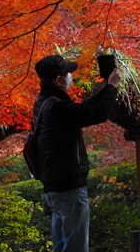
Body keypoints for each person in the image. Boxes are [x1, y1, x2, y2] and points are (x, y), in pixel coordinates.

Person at [32, 54, 121, 252]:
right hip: (70, 188)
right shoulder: (59, 107)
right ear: (58, 80)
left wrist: (107, 87)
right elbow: (98, 114)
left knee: (62, 244)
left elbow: (84, 109)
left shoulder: (44, 103)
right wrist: (113, 87)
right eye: (67, 73)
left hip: (55, 186)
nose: (70, 76)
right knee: (75, 246)